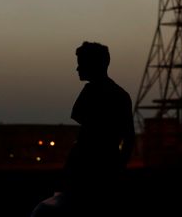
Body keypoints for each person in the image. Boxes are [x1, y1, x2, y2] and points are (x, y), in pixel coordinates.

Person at [31, 41, 134, 216]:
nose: (77, 69)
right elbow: (129, 137)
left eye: (81, 64)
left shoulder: (91, 92)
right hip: (108, 167)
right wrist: (119, 166)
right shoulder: (121, 95)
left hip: (85, 169)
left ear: (93, 65)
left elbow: (80, 117)